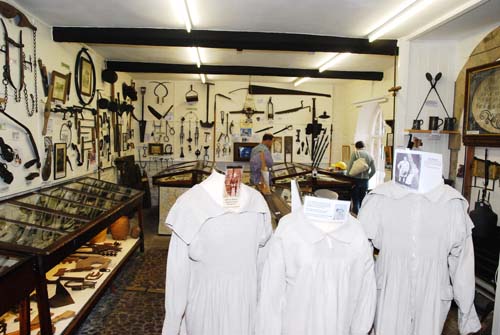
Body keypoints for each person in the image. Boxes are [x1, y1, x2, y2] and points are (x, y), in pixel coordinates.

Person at [347, 141, 376, 215]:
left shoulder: (355, 153)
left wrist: (347, 177)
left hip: (355, 180)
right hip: (365, 181)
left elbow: (349, 167)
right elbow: (373, 171)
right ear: (364, 146)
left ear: (356, 147)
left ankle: (355, 218)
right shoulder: (370, 155)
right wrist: (367, 177)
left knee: (355, 200)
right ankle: (362, 218)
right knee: (362, 201)